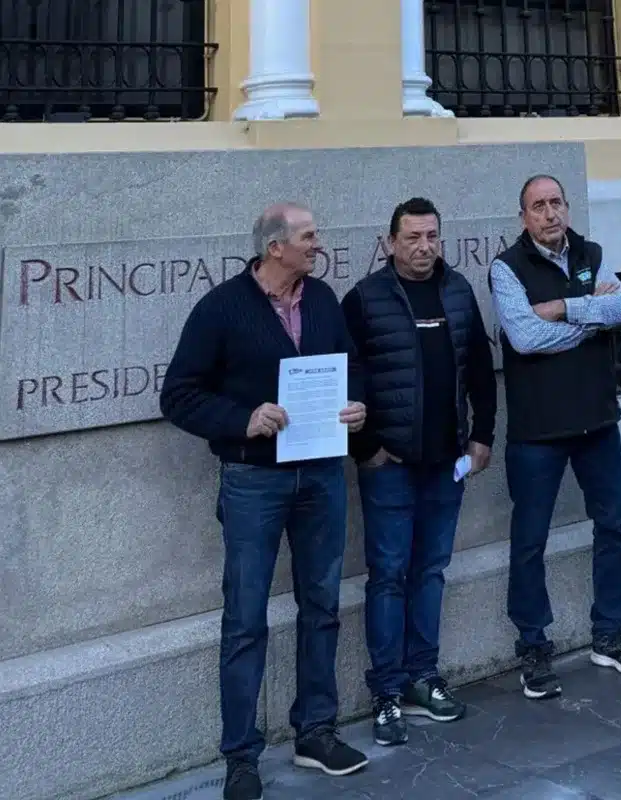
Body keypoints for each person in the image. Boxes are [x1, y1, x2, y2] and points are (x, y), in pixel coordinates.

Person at [160, 203, 369, 800]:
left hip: (322, 476)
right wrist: (243, 420)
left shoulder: (322, 299)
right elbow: (178, 395)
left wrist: (357, 404)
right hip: (254, 481)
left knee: (321, 605)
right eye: (308, 236)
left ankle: (316, 731)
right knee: (246, 618)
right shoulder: (221, 308)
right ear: (275, 247)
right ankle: (241, 757)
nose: (318, 244)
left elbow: (351, 366)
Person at [489, 174, 621, 700]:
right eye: (538, 206)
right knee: (529, 540)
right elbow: (524, 337)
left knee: (614, 527)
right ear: (524, 217)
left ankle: (610, 633)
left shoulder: (591, 253)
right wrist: (592, 318)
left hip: (597, 421)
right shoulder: (506, 268)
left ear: (567, 207)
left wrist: (564, 308)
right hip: (538, 430)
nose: (549, 213)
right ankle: (534, 647)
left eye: (556, 202)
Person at [342, 197, 498, 745]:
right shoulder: (364, 299)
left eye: (431, 236)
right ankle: (386, 691)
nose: (424, 247)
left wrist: (482, 436)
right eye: (412, 237)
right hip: (390, 465)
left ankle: (422, 677)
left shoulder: (457, 291)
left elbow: (481, 369)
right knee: (388, 575)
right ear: (390, 242)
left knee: (431, 571)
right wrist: (366, 447)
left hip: (445, 463)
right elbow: (347, 377)